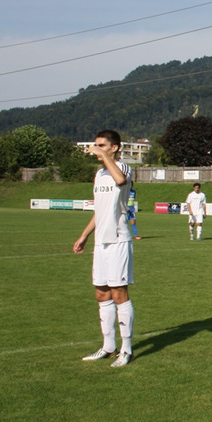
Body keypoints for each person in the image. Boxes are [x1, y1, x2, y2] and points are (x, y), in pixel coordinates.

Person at [72, 129, 136, 368]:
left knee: (119, 293)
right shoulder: (99, 174)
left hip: (118, 239)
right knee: (101, 293)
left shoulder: (124, 168)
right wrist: (84, 235)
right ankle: (108, 346)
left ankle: (126, 350)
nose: (96, 149)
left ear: (115, 147)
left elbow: (120, 180)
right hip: (101, 242)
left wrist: (104, 157)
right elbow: (99, 211)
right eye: (95, 145)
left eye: (102, 145)